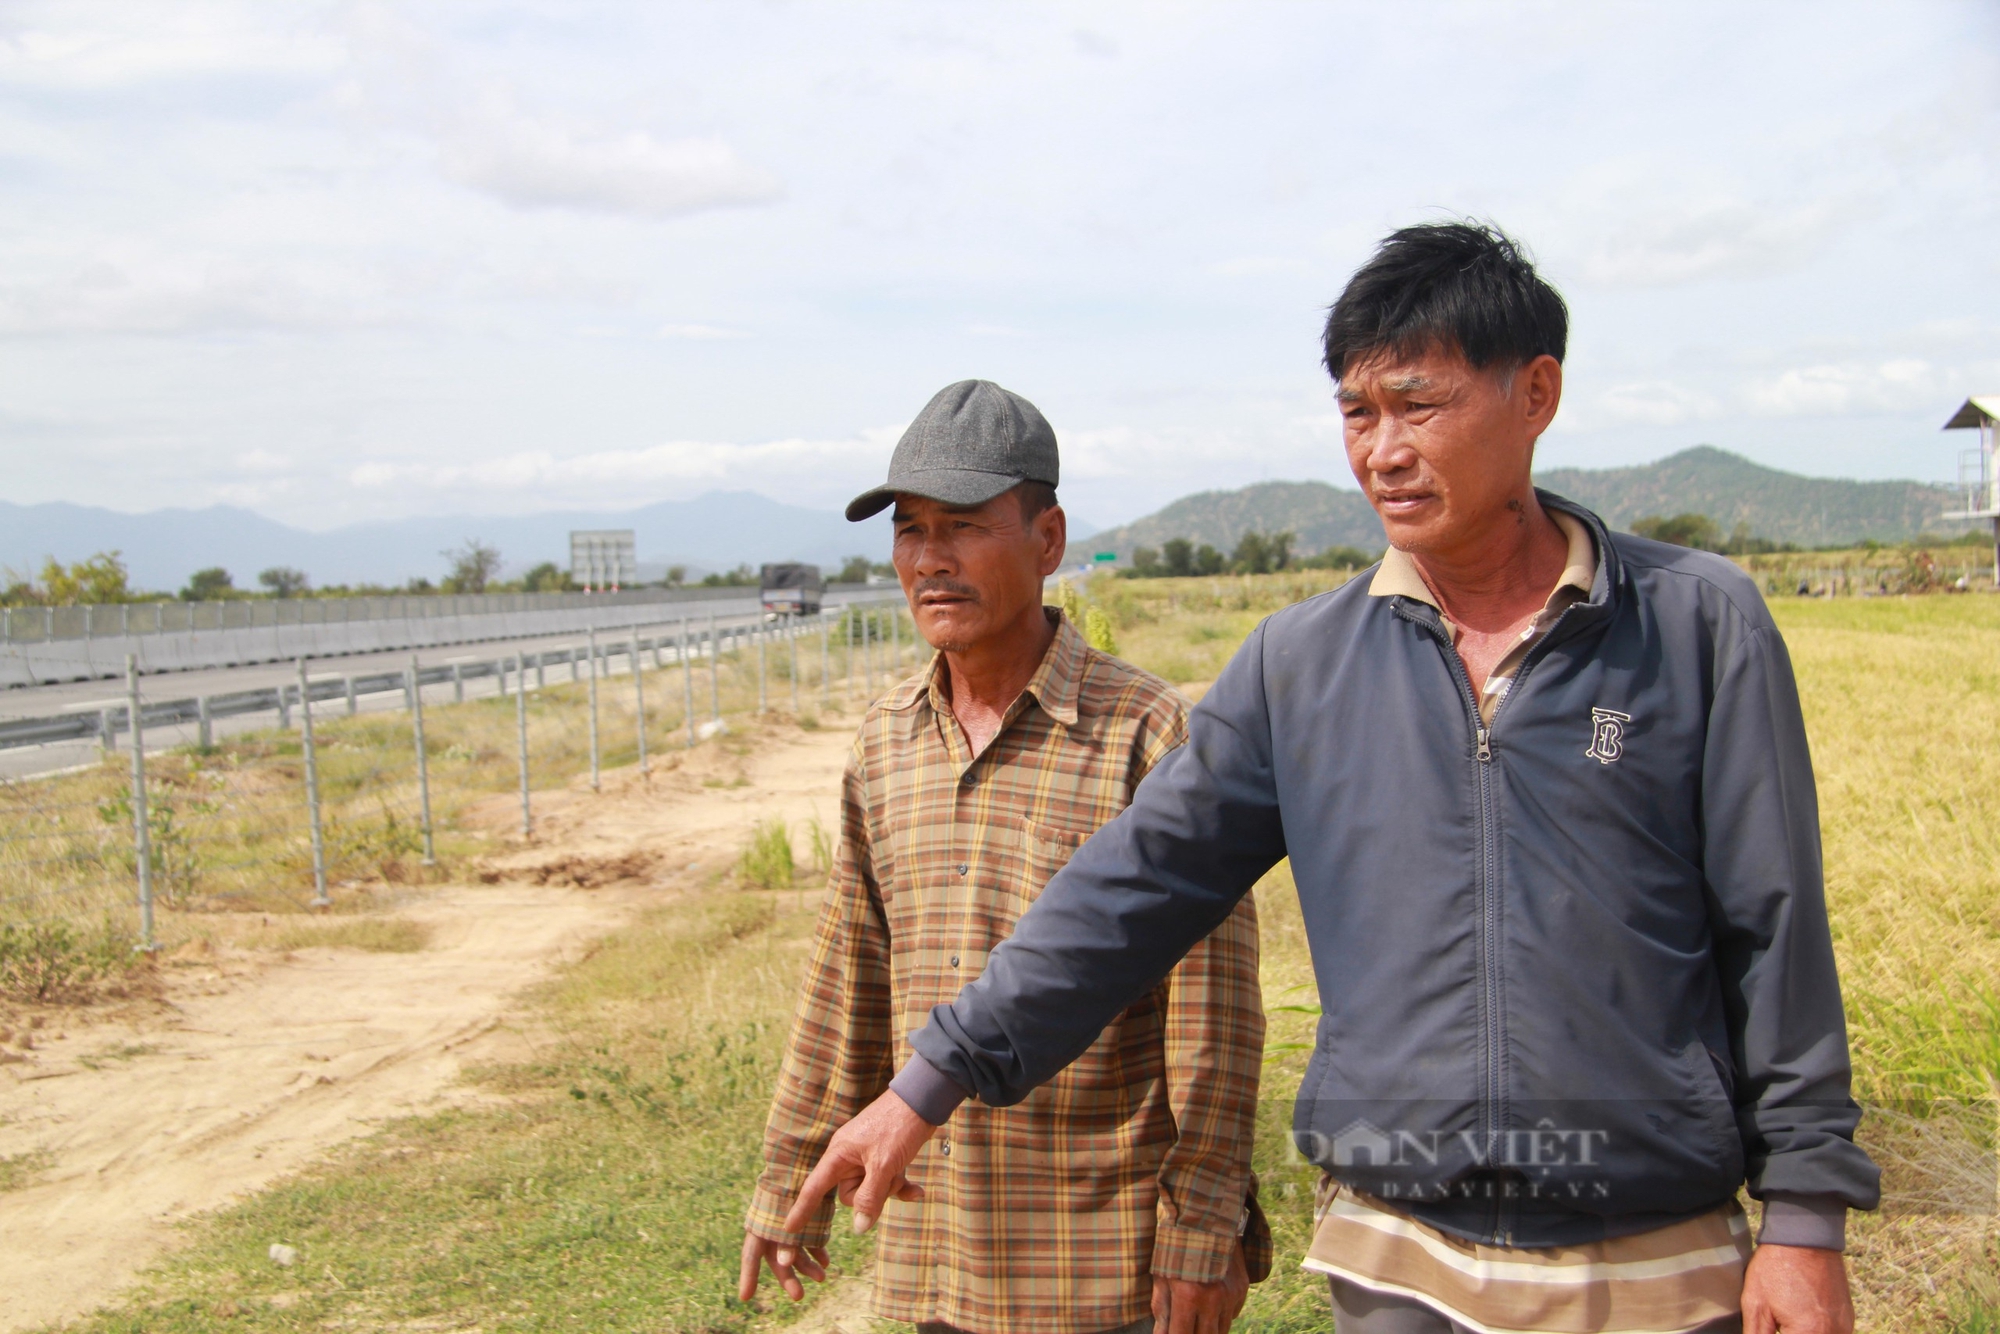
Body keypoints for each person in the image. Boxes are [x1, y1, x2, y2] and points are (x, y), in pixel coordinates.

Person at [782, 229, 1882, 1334]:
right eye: (1357, 413)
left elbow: (1773, 926)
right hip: (1395, 1255)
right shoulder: (1300, 663)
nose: (1382, 451)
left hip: (1651, 1255)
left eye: (1419, 404)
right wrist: (927, 1081)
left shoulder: (1694, 622)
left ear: (1535, 391)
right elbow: (1127, 888)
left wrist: (1804, 1214)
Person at [740, 379, 1270, 1334]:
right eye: (910, 531)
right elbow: (848, 973)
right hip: (935, 1242)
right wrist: (791, 1166)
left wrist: (1203, 1229)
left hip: (1097, 1257)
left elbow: (1214, 1022)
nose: (930, 561)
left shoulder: (1148, 736)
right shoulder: (885, 742)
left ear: (1048, 540)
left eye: (964, 527)